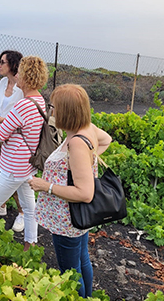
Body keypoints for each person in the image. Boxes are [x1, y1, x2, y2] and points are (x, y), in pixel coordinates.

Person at [28, 84, 112, 298]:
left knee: (70, 272)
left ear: (66, 111)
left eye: (53, 107)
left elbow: (85, 193)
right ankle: (88, 297)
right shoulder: (87, 128)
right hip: (77, 218)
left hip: (67, 219)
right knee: (82, 259)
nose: (51, 111)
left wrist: (44, 186)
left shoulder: (76, 144)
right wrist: (88, 160)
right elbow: (106, 140)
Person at [0, 56, 48, 251]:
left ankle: (2, 245)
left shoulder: (22, 105)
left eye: (20, 71)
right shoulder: (39, 101)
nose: (17, 75)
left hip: (13, 167)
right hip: (28, 166)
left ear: (26, 76)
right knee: (29, 209)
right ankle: (30, 246)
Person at [0, 50, 25, 232]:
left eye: (2, 62)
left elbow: (23, 116)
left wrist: (2, 120)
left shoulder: (23, 88)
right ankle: (1, 204)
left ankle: (22, 212)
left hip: (15, 138)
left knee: (14, 176)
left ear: (13, 65)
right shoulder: (2, 83)